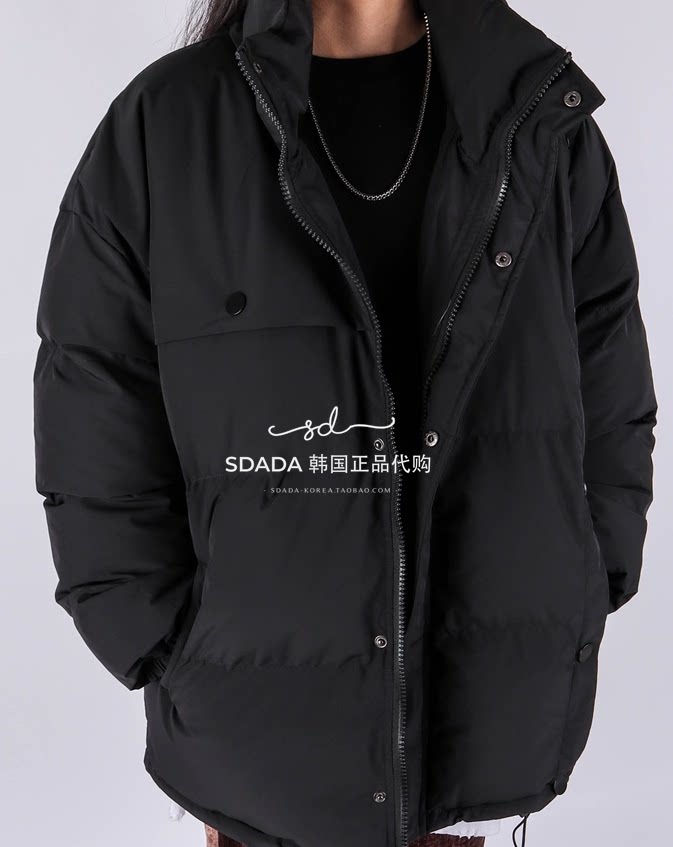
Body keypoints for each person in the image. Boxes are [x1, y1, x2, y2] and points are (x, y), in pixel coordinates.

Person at [33, 1, 656, 847]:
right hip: (258, 742)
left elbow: (608, 370)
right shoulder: (168, 124)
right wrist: (157, 635)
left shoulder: (533, 112)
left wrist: (590, 568)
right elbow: (95, 394)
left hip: (480, 717)